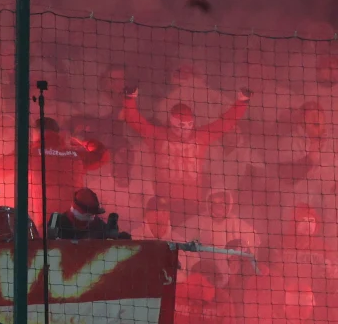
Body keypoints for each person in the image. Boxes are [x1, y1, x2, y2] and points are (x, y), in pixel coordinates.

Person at [123, 87, 250, 223]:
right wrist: (129, 99)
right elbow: (135, 121)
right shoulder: (158, 136)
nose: (184, 132)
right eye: (180, 127)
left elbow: (225, 123)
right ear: (172, 124)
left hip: (191, 204)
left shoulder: (200, 137)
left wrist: (242, 102)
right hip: (163, 202)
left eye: (188, 126)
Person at [51, 188, 130, 240]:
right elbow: (49, 247)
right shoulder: (56, 221)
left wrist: (119, 238)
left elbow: (111, 237)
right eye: (89, 215)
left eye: (93, 215)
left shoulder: (97, 225)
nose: (92, 218)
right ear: (77, 211)